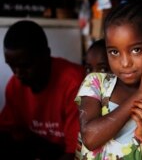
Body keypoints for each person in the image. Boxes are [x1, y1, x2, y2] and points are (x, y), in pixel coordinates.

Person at [75, 1, 142, 160]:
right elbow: (90, 138)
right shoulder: (97, 83)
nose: (125, 63)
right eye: (114, 52)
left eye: (136, 50)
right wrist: (141, 93)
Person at [0, 20, 85, 160]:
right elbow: (9, 132)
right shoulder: (15, 86)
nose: (17, 74)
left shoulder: (74, 84)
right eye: (11, 66)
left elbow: (76, 154)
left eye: (25, 66)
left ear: (46, 55)